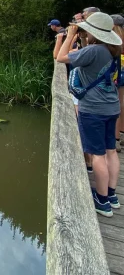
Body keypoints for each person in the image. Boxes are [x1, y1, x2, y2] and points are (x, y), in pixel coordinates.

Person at [57, 12, 122, 217]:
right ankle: (112, 195)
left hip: (93, 109)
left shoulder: (93, 51)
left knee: (97, 155)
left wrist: (70, 36)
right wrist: (85, 37)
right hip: (112, 107)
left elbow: (61, 58)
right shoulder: (112, 48)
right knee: (111, 151)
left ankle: (101, 201)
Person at [112, 14, 124, 152]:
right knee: (122, 103)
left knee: (114, 105)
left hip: (117, 70)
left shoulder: (114, 38)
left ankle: (115, 140)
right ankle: (121, 134)